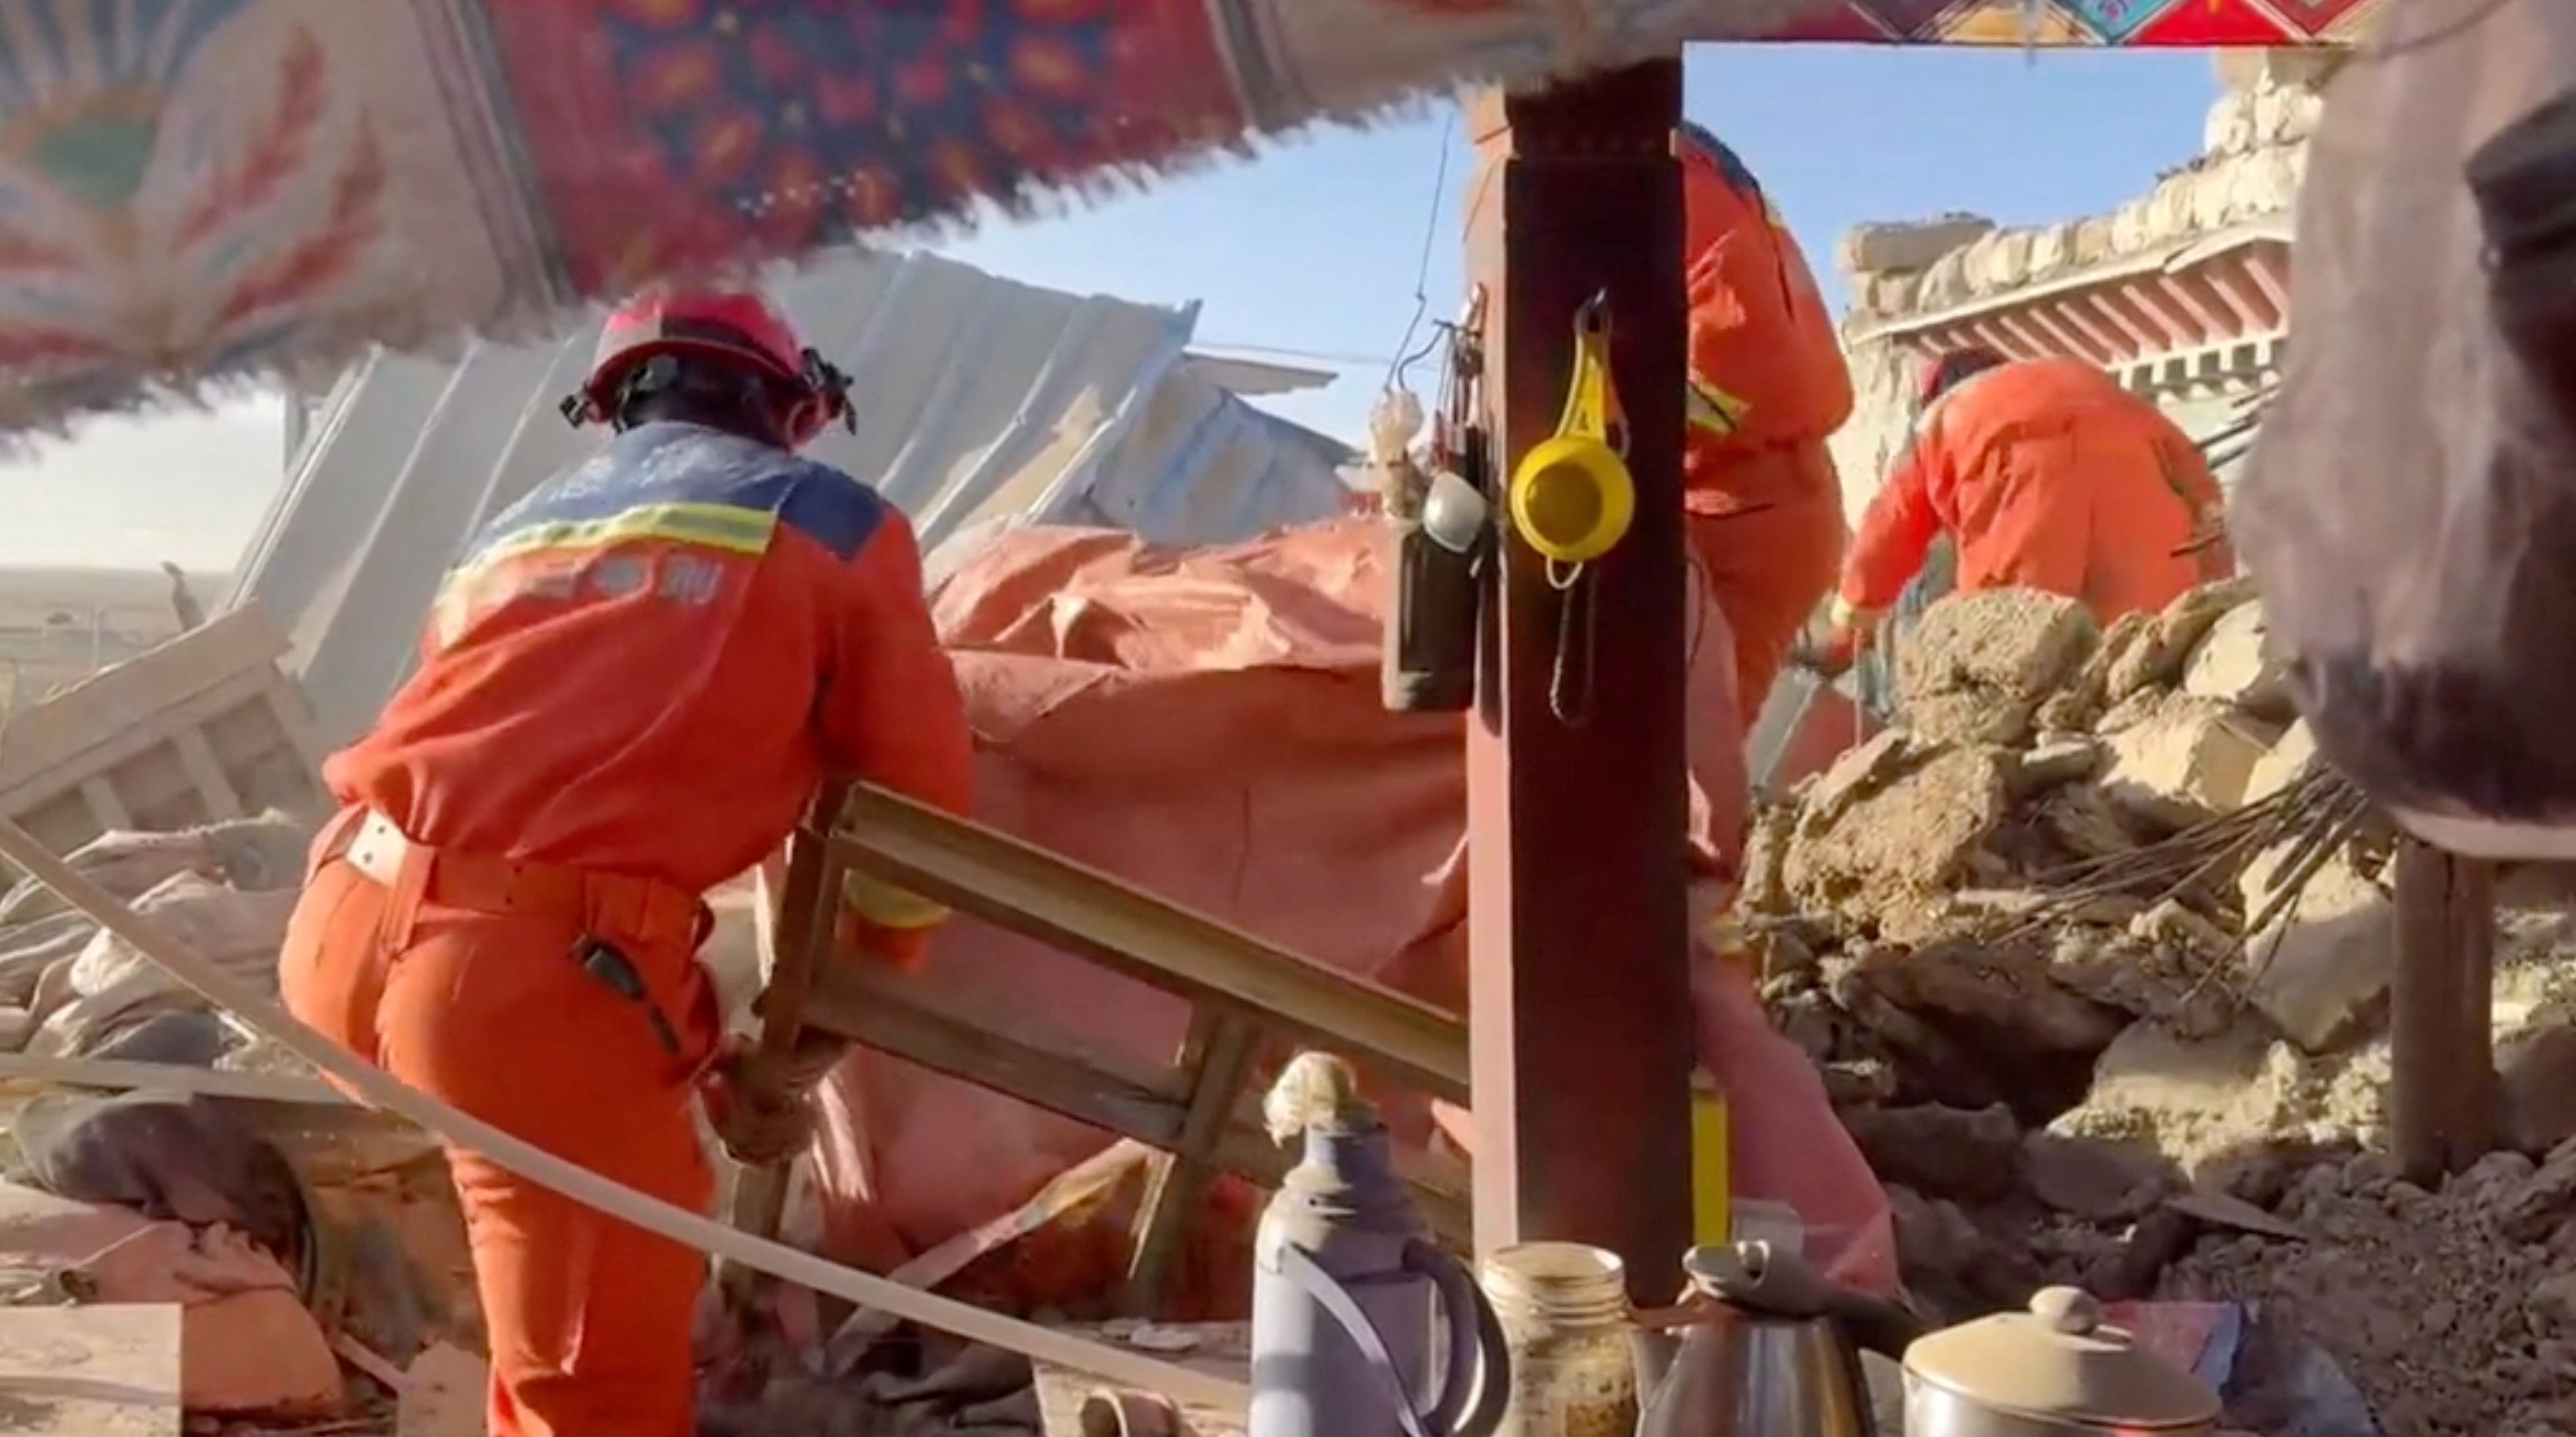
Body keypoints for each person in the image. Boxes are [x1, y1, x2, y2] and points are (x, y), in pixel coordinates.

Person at [276, 287, 976, 1437]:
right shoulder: (833, 521)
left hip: (343, 923)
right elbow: (915, 800)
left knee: (545, 1289)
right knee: (595, 1392)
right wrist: (846, 995)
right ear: (788, 406)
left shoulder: (516, 530)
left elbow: (527, 760)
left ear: (610, 408)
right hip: (514, 981)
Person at [1819, 347, 2230, 670]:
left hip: (2028, 573)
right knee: (2135, 678)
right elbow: (2205, 499)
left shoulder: (1944, 419)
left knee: (2009, 688)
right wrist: (2210, 596)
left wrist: (1850, 625)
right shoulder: (2103, 390)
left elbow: (1890, 527)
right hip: (2151, 575)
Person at [1677, 120, 1855, 725]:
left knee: (1692, 743)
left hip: (1745, 517)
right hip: (1775, 509)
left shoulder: (1666, 180)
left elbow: (1735, 364)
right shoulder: (1709, 177)